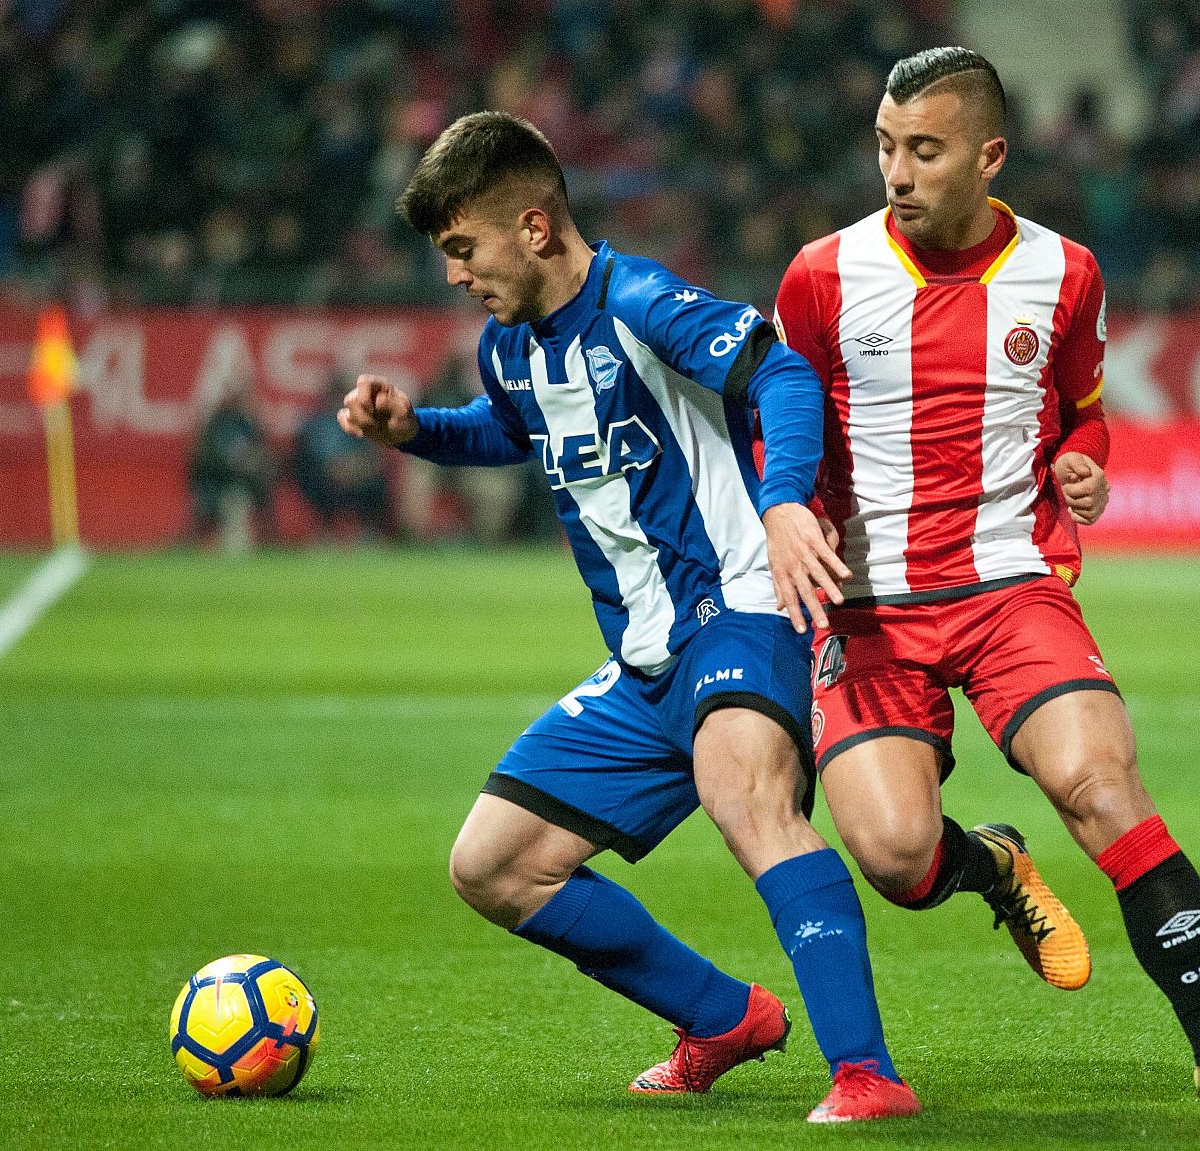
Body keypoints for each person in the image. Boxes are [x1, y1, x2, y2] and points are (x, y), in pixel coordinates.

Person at [338, 111, 920, 1123]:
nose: (453, 274)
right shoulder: (507, 349)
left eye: (460, 248)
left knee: (745, 795)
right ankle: (722, 1017)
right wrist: (416, 431)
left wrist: (783, 500)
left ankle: (866, 1071)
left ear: (531, 226)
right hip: (645, 662)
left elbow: (778, 369)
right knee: (492, 863)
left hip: (739, 608)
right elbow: (510, 430)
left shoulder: (641, 300)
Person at [772, 48, 1200, 1128]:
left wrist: (1084, 459)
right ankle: (991, 863)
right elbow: (784, 422)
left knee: (1102, 784)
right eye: (884, 146)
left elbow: (1082, 407)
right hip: (869, 604)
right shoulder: (820, 275)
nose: (896, 171)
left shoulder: (1066, 272)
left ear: (988, 155)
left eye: (923, 150)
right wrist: (788, 513)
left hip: (1011, 585)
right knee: (895, 855)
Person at [293, 376, 399, 543]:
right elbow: (313, 459)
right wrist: (339, 469)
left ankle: (369, 534)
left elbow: (371, 458)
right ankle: (325, 534)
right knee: (318, 482)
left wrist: (355, 469)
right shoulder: (318, 425)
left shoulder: (362, 423)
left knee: (376, 483)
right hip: (325, 478)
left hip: (357, 476)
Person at [183, 378, 276, 549]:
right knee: (234, 499)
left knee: (244, 495)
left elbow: (261, 454)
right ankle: (221, 541)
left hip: (245, 484)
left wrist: (254, 463)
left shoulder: (248, 425)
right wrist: (234, 465)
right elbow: (206, 460)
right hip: (217, 483)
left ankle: (247, 541)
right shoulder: (215, 425)